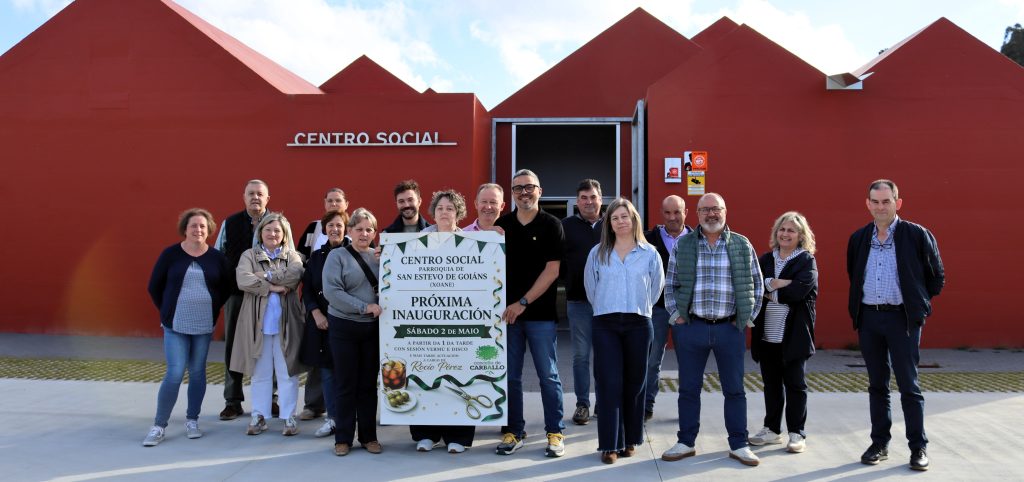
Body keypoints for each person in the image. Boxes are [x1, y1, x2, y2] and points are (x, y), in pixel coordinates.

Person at [661, 192, 764, 467]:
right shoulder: (683, 245)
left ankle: (739, 444)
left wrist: (745, 318)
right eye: (705, 210)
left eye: (715, 209)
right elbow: (670, 285)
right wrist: (677, 316)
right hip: (692, 328)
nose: (711, 214)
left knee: (734, 390)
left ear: (725, 211)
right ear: (697, 214)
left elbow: (757, 284)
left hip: (730, 329)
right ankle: (686, 441)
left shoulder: (742, 245)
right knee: (688, 389)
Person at [847, 179, 944, 471]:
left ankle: (918, 448)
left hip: (902, 319)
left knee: (909, 386)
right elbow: (854, 274)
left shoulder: (916, 235)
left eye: (886, 201)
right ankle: (880, 443)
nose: (880, 207)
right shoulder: (859, 238)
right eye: (875, 202)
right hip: (869, 318)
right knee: (877, 385)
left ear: (897, 203)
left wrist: (917, 304)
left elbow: (936, 277)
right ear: (868, 204)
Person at [583, 198, 664, 464]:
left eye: (624, 216)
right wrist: (609, 307)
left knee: (635, 383)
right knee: (608, 383)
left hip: (639, 323)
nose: (620, 221)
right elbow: (591, 289)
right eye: (614, 217)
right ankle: (609, 444)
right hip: (605, 323)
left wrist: (637, 308)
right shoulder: (598, 253)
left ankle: (630, 439)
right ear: (609, 223)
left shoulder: (650, 253)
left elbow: (656, 289)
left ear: (634, 220)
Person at [494, 169, 566, 458]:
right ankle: (514, 431)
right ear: (512, 193)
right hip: (507, 318)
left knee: (547, 375)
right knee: (510, 377)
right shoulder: (502, 225)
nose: (524, 192)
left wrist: (522, 302)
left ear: (540, 190)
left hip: (540, 316)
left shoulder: (551, 225)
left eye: (529, 187)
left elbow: (552, 271)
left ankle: (555, 432)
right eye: (518, 188)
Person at [143, 208, 230, 446]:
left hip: (203, 324)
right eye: (194, 226)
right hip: (175, 325)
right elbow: (154, 286)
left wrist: (213, 306)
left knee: (198, 372)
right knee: (174, 373)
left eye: (202, 226)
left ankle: (193, 420)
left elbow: (227, 286)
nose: (198, 230)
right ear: (185, 228)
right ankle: (159, 425)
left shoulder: (216, 258)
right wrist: (167, 311)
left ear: (209, 230)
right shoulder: (170, 254)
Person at [409, 190, 477, 454]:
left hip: (459, 321)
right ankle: (426, 434)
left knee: (460, 376)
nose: (445, 212)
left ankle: (457, 436)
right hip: (426, 319)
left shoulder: (471, 243)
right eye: (440, 208)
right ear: (433, 213)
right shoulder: (417, 242)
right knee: (426, 375)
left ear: (458, 213)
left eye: (450, 208)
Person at [749, 212, 818, 454]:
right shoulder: (766, 259)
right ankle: (771, 430)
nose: (785, 234)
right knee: (771, 385)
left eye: (791, 230)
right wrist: (782, 283)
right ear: (776, 232)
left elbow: (798, 293)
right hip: (767, 335)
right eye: (782, 229)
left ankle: (797, 433)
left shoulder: (806, 261)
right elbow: (755, 286)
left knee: (796, 385)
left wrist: (773, 286)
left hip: (794, 336)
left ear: (800, 235)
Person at [231, 213, 306, 436]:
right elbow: (242, 279)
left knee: (287, 372)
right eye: (268, 230)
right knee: (260, 373)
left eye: (277, 231)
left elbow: (295, 275)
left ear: (284, 235)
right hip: (258, 325)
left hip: (287, 323)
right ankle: (259, 416)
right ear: (260, 232)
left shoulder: (292, 255)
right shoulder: (249, 254)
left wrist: (264, 275)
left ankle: (289, 417)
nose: (272, 234)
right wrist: (271, 287)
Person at [323, 208, 385, 456]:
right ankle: (343, 438)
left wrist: (387, 266)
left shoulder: (380, 257)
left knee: (368, 385)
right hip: (344, 327)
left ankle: (369, 436)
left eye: (369, 229)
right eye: (358, 229)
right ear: (349, 231)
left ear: (374, 232)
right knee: (346, 384)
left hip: (371, 330)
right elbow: (332, 293)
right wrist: (364, 307)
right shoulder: (337, 256)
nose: (364, 233)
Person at [214, 179, 272, 420]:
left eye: (260, 194)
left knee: (270, 347)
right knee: (233, 348)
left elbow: (288, 255)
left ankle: (271, 398)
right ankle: (233, 400)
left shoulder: (278, 223)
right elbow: (218, 256)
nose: (255, 198)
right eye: (251, 194)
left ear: (268, 198)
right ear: (244, 197)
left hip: (269, 296)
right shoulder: (231, 223)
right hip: (237, 295)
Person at [297, 188, 349, 422]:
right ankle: (314, 405)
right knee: (319, 366)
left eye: (338, 201)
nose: (334, 204)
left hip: (346, 318)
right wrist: (315, 312)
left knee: (344, 367)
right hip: (319, 315)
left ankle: (344, 412)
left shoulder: (354, 249)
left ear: (346, 204)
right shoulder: (314, 243)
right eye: (330, 201)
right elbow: (305, 278)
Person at [643, 195, 693, 421]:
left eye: (677, 212)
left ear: (686, 212)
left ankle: (688, 406)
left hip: (688, 311)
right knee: (651, 360)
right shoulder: (647, 240)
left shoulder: (697, 240)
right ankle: (646, 404)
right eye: (668, 213)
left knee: (689, 361)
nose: (673, 217)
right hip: (658, 309)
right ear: (662, 214)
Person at [561, 179, 603, 425]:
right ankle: (582, 404)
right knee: (580, 357)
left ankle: (603, 402)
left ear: (601, 199)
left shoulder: (612, 224)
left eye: (593, 197)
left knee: (605, 356)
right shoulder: (566, 226)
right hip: (578, 302)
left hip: (608, 303)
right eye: (584, 198)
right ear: (577, 202)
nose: (589, 202)